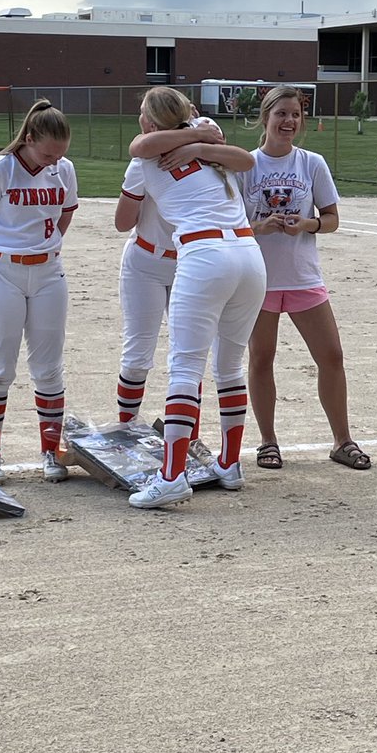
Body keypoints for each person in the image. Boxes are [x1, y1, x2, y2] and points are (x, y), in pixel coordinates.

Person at [114, 86, 267, 509]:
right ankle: (230, 464)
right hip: (248, 253)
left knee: (184, 366)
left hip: (203, 254)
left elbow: (138, 149)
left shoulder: (148, 156)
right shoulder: (208, 137)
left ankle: (171, 476)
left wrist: (194, 141)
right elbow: (245, 158)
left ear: (150, 121)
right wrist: (198, 140)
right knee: (229, 366)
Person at [239, 84, 371, 472]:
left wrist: (308, 223)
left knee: (331, 356)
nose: (289, 121)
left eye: (295, 114)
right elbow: (231, 225)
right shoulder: (245, 165)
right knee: (262, 358)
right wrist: (260, 226)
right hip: (260, 278)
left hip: (302, 277)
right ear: (265, 117)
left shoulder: (311, 163)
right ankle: (268, 441)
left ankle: (342, 441)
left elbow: (331, 219)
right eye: (281, 113)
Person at [0, 98, 79, 485]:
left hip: (48, 273)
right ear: (29, 138)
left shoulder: (64, 169)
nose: (53, 161)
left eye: (59, 154)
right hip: (1, 271)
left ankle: (50, 451)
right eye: (47, 154)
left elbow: (65, 213)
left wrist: (43, 248)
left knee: (49, 368)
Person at [114, 101, 222, 464]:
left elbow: (121, 221)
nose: (139, 117)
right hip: (149, 262)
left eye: (143, 112)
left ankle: (186, 436)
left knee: (185, 352)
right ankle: (127, 431)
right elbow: (123, 223)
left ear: (152, 123)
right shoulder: (145, 161)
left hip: (187, 261)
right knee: (141, 352)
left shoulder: (204, 136)